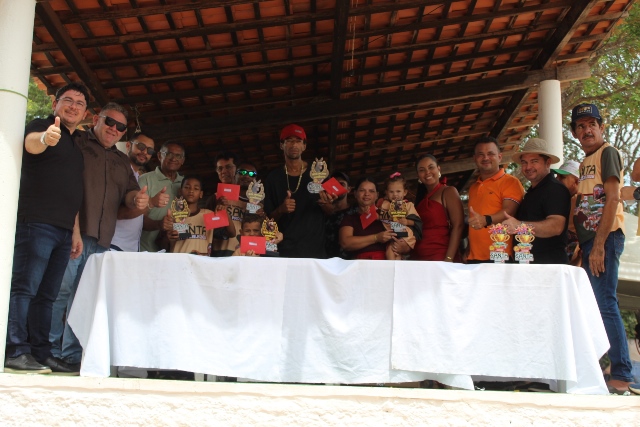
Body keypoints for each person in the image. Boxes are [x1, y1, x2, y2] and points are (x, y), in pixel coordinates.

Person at [49, 102, 150, 370]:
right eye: (110, 122)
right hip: (72, 233)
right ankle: (47, 350)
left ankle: (71, 356)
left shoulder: (121, 161)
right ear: (96, 119)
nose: (114, 129)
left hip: (103, 241)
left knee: (85, 298)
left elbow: (130, 193)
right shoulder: (77, 142)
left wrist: (138, 199)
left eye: (121, 127)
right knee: (60, 291)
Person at [5, 83, 89, 375]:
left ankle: (41, 354)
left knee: (47, 297)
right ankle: (16, 350)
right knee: (25, 289)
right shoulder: (43, 125)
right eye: (68, 100)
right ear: (55, 103)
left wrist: (75, 232)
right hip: (37, 223)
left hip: (64, 231)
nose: (73, 106)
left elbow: (72, 192)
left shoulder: (76, 147)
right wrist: (45, 137)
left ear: (85, 113)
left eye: (80, 103)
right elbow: (31, 143)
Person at [570, 103, 633, 393]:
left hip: (605, 238)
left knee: (606, 303)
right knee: (595, 304)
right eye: (580, 126)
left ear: (601, 127)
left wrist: (598, 245)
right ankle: (603, 370)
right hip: (591, 241)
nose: (587, 130)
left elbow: (613, 198)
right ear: (574, 133)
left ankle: (622, 374)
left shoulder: (608, 152)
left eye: (591, 124)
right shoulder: (586, 161)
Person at [263, 124, 335, 258]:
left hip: (315, 249)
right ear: (281, 145)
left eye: (298, 141)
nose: (294, 145)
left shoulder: (320, 172)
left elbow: (332, 211)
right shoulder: (273, 178)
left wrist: (325, 204)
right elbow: (267, 220)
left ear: (304, 146)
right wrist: (281, 209)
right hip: (285, 250)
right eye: (289, 140)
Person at [501, 138, 571, 264]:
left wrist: (519, 226)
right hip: (530, 267)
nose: (528, 167)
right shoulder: (532, 192)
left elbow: (556, 226)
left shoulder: (555, 189)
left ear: (548, 163)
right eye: (524, 162)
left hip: (548, 266)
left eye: (534, 161)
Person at [467, 137, 525, 262]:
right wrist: (467, 251)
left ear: (500, 157)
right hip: (474, 257)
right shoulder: (473, 187)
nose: (485, 158)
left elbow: (509, 211)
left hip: (500, 255)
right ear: (474, 158)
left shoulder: (510, 182)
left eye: (490, 154)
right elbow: (474, 223)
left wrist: (486, 220)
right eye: (480, 154)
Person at [110, 133, 169, 252]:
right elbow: (119, 213)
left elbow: (139, 218)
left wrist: (160, 224)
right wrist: (151, 202)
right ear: (128, 145)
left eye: (150, 150)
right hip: (114, 244)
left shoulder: (137, 177)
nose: (145, 152)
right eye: (141, 146)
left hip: (130, 248)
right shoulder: (118, 172)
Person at [411, 154, 465, 262]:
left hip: (442, 256)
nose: (427, 172)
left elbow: (458, 225)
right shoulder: (419, 199)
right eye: (422, 170)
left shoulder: (448, 191)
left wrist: (449, 258)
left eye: (431, 167)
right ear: (418, 175)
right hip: (419, 258)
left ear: (438, 169)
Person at [163, 176, 234, 255]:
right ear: (180, 191)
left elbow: (231, 233)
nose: (191, 191)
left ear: (201, 194)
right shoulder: (173, 216)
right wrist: (167, 237)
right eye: (187, 187)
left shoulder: (208, 215)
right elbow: (160, 243)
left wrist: (224, 212)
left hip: (201, 261)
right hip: (179, 261)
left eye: (196, 188)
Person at [138, 141, 186, 252]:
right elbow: (137, 217)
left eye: (178, 156)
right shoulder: (145, 180)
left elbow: (185, 218)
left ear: (182, 160)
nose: (173, 159)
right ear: (160, 156)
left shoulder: (185, 184)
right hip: (147, 250)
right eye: (169, 154)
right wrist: (160, 224)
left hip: (176, 251)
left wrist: (180, 236)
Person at [211, 158, 258, 257]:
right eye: (242, 172)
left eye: (251, 174)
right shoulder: (218, 197)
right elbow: (209, 228)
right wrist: (218, 211)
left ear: (255, 179)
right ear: (235, 174)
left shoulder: (258, 204)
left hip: (246, 255)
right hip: (220, 253)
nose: (246, 176)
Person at [339, 177, 396, 259]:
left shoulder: (387, 215)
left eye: (371, 191)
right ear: (355, 194)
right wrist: (376, 237)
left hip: (385, 262)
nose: (367, 194)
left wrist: (404, 247)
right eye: (362, 190)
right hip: (360, 263)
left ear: (377, 195)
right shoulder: (349, 218)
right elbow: (345, 243)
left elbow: (403, 236)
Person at [376, 173, 422, 260]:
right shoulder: (384, 204)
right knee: (393, 253)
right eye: (391, 192)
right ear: (386, 192)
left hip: (404, 233)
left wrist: (407, 221)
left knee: (391, 250)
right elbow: (380, 217)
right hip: (391, 234)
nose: (395, 195)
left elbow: (416, 222)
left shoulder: (408, 205)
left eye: (398, 191)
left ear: (405, 192)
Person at [552, 160, 581, 264]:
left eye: (562, 177)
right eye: (557, 176)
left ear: (577, 181)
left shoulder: (578, 200)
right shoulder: (562, 199)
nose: (557, 179)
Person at [323, 171, 356, 259]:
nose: (337, 187)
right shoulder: (322, 211)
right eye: (334, 184)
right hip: (324, 260)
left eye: (341, 184)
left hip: (348, 261)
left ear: (349, 189)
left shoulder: (355, 211)